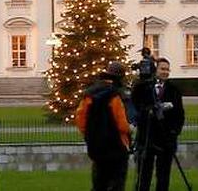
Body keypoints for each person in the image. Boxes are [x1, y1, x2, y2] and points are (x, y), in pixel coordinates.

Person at [76, 61, 132, 191]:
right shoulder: (115, 95)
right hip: (116, 145)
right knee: (117, 183)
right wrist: (130, 130)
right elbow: (122, 124)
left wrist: (89, 134)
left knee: (99, 182)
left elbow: (80, 118)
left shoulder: (89, 94)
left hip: (96, 145)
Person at [132, 58, 185, 191]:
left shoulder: (174, 90)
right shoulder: (143, 88)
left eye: (167, 69)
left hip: (166, 138)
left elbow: (180, 114)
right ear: (155, 70)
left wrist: (174, 132)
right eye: (162, 69)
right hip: (147, 137)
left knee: (163, 176)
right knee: (144, 175)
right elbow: (135, 107)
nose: (165, 72)